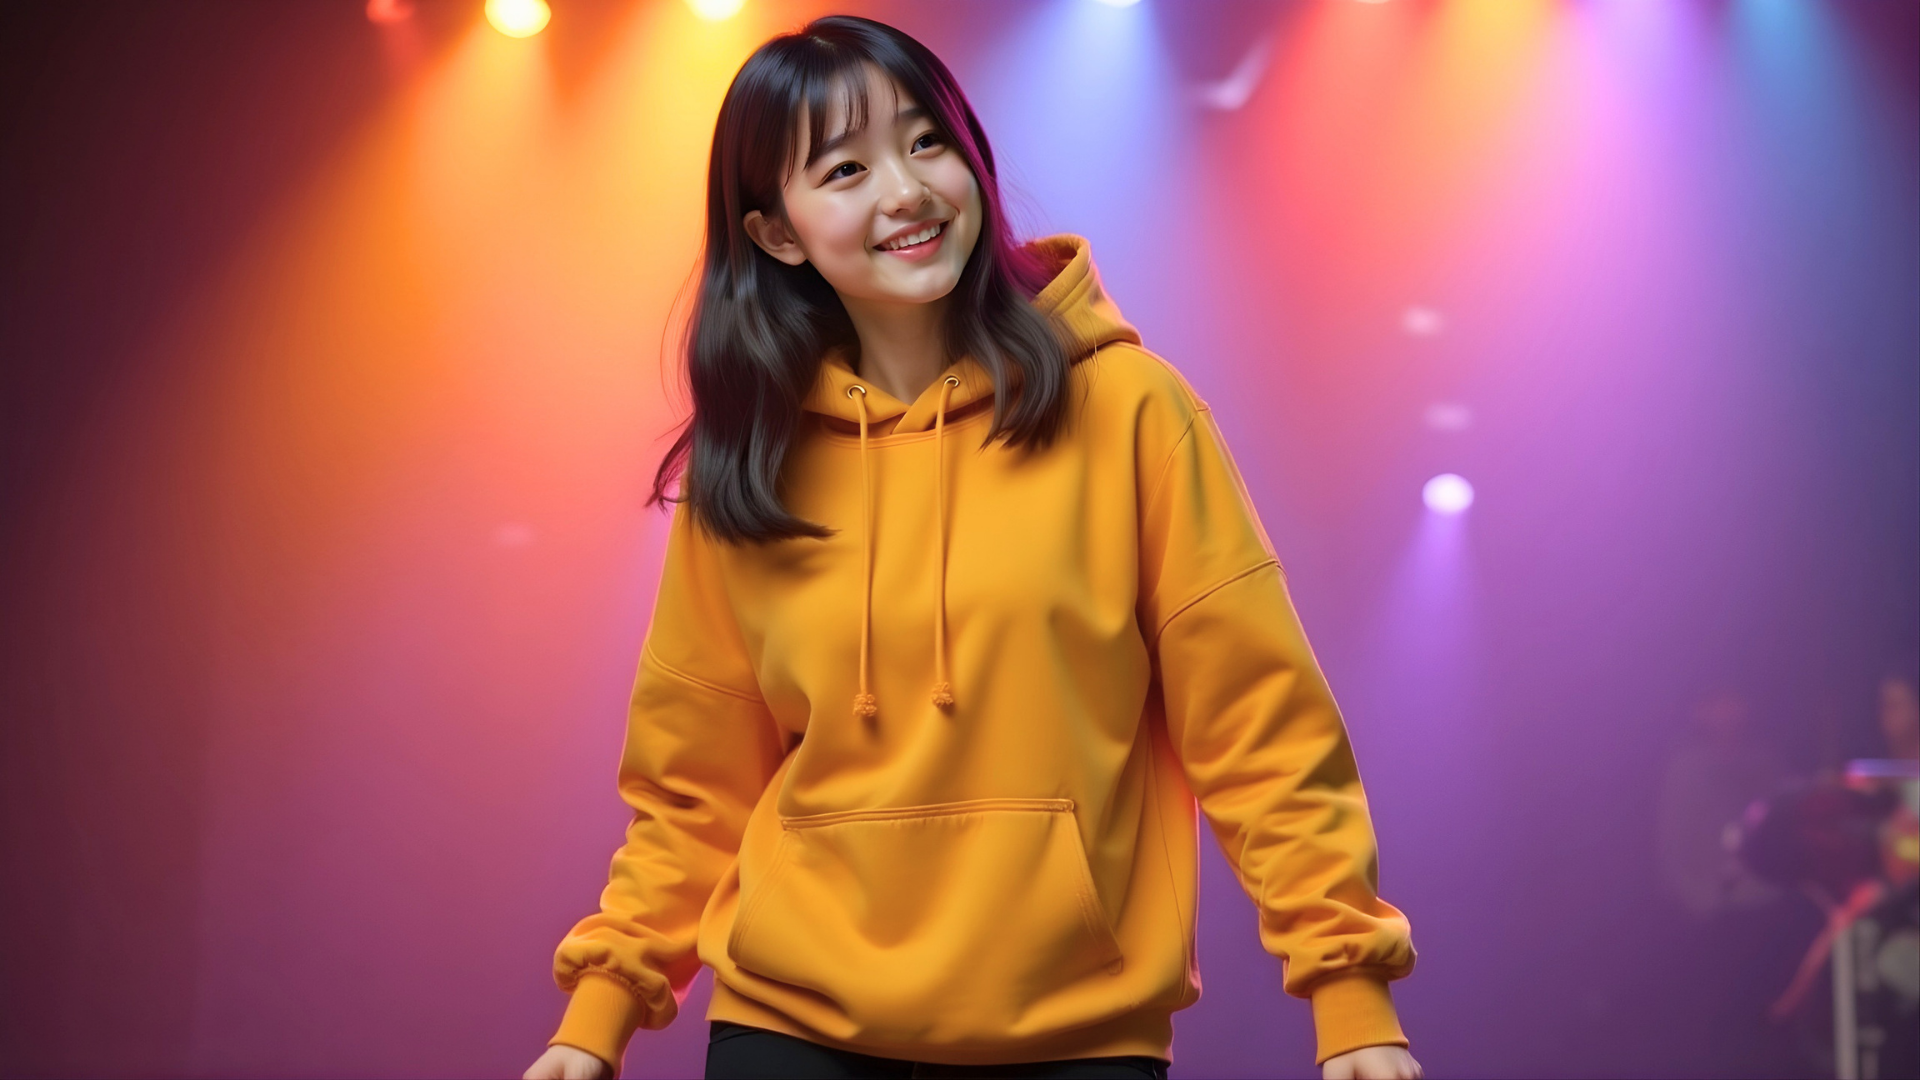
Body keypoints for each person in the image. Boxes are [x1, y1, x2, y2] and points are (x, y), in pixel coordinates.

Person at [523, 16, 1417, 1080]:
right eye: (846, 169)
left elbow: (1256, 716)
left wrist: (1348, 985)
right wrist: (600, 1011)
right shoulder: (752, 463)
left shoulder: (1128, 408)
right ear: (777, 234)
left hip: (1074, 1029)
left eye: (926, 142)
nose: (906, 190)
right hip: (789, 1023)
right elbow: (692, 788)